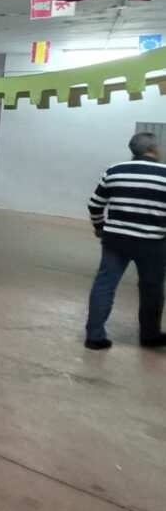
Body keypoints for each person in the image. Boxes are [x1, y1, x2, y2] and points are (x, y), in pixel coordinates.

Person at [84, 132, 166, 350]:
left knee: (105, 284)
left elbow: (94, 204)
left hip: (115, 239)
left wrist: (100, 227)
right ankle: (149, 336)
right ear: (153, 149)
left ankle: (94, 336)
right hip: (152, 242)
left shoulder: (114, 170)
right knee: (152, 288)